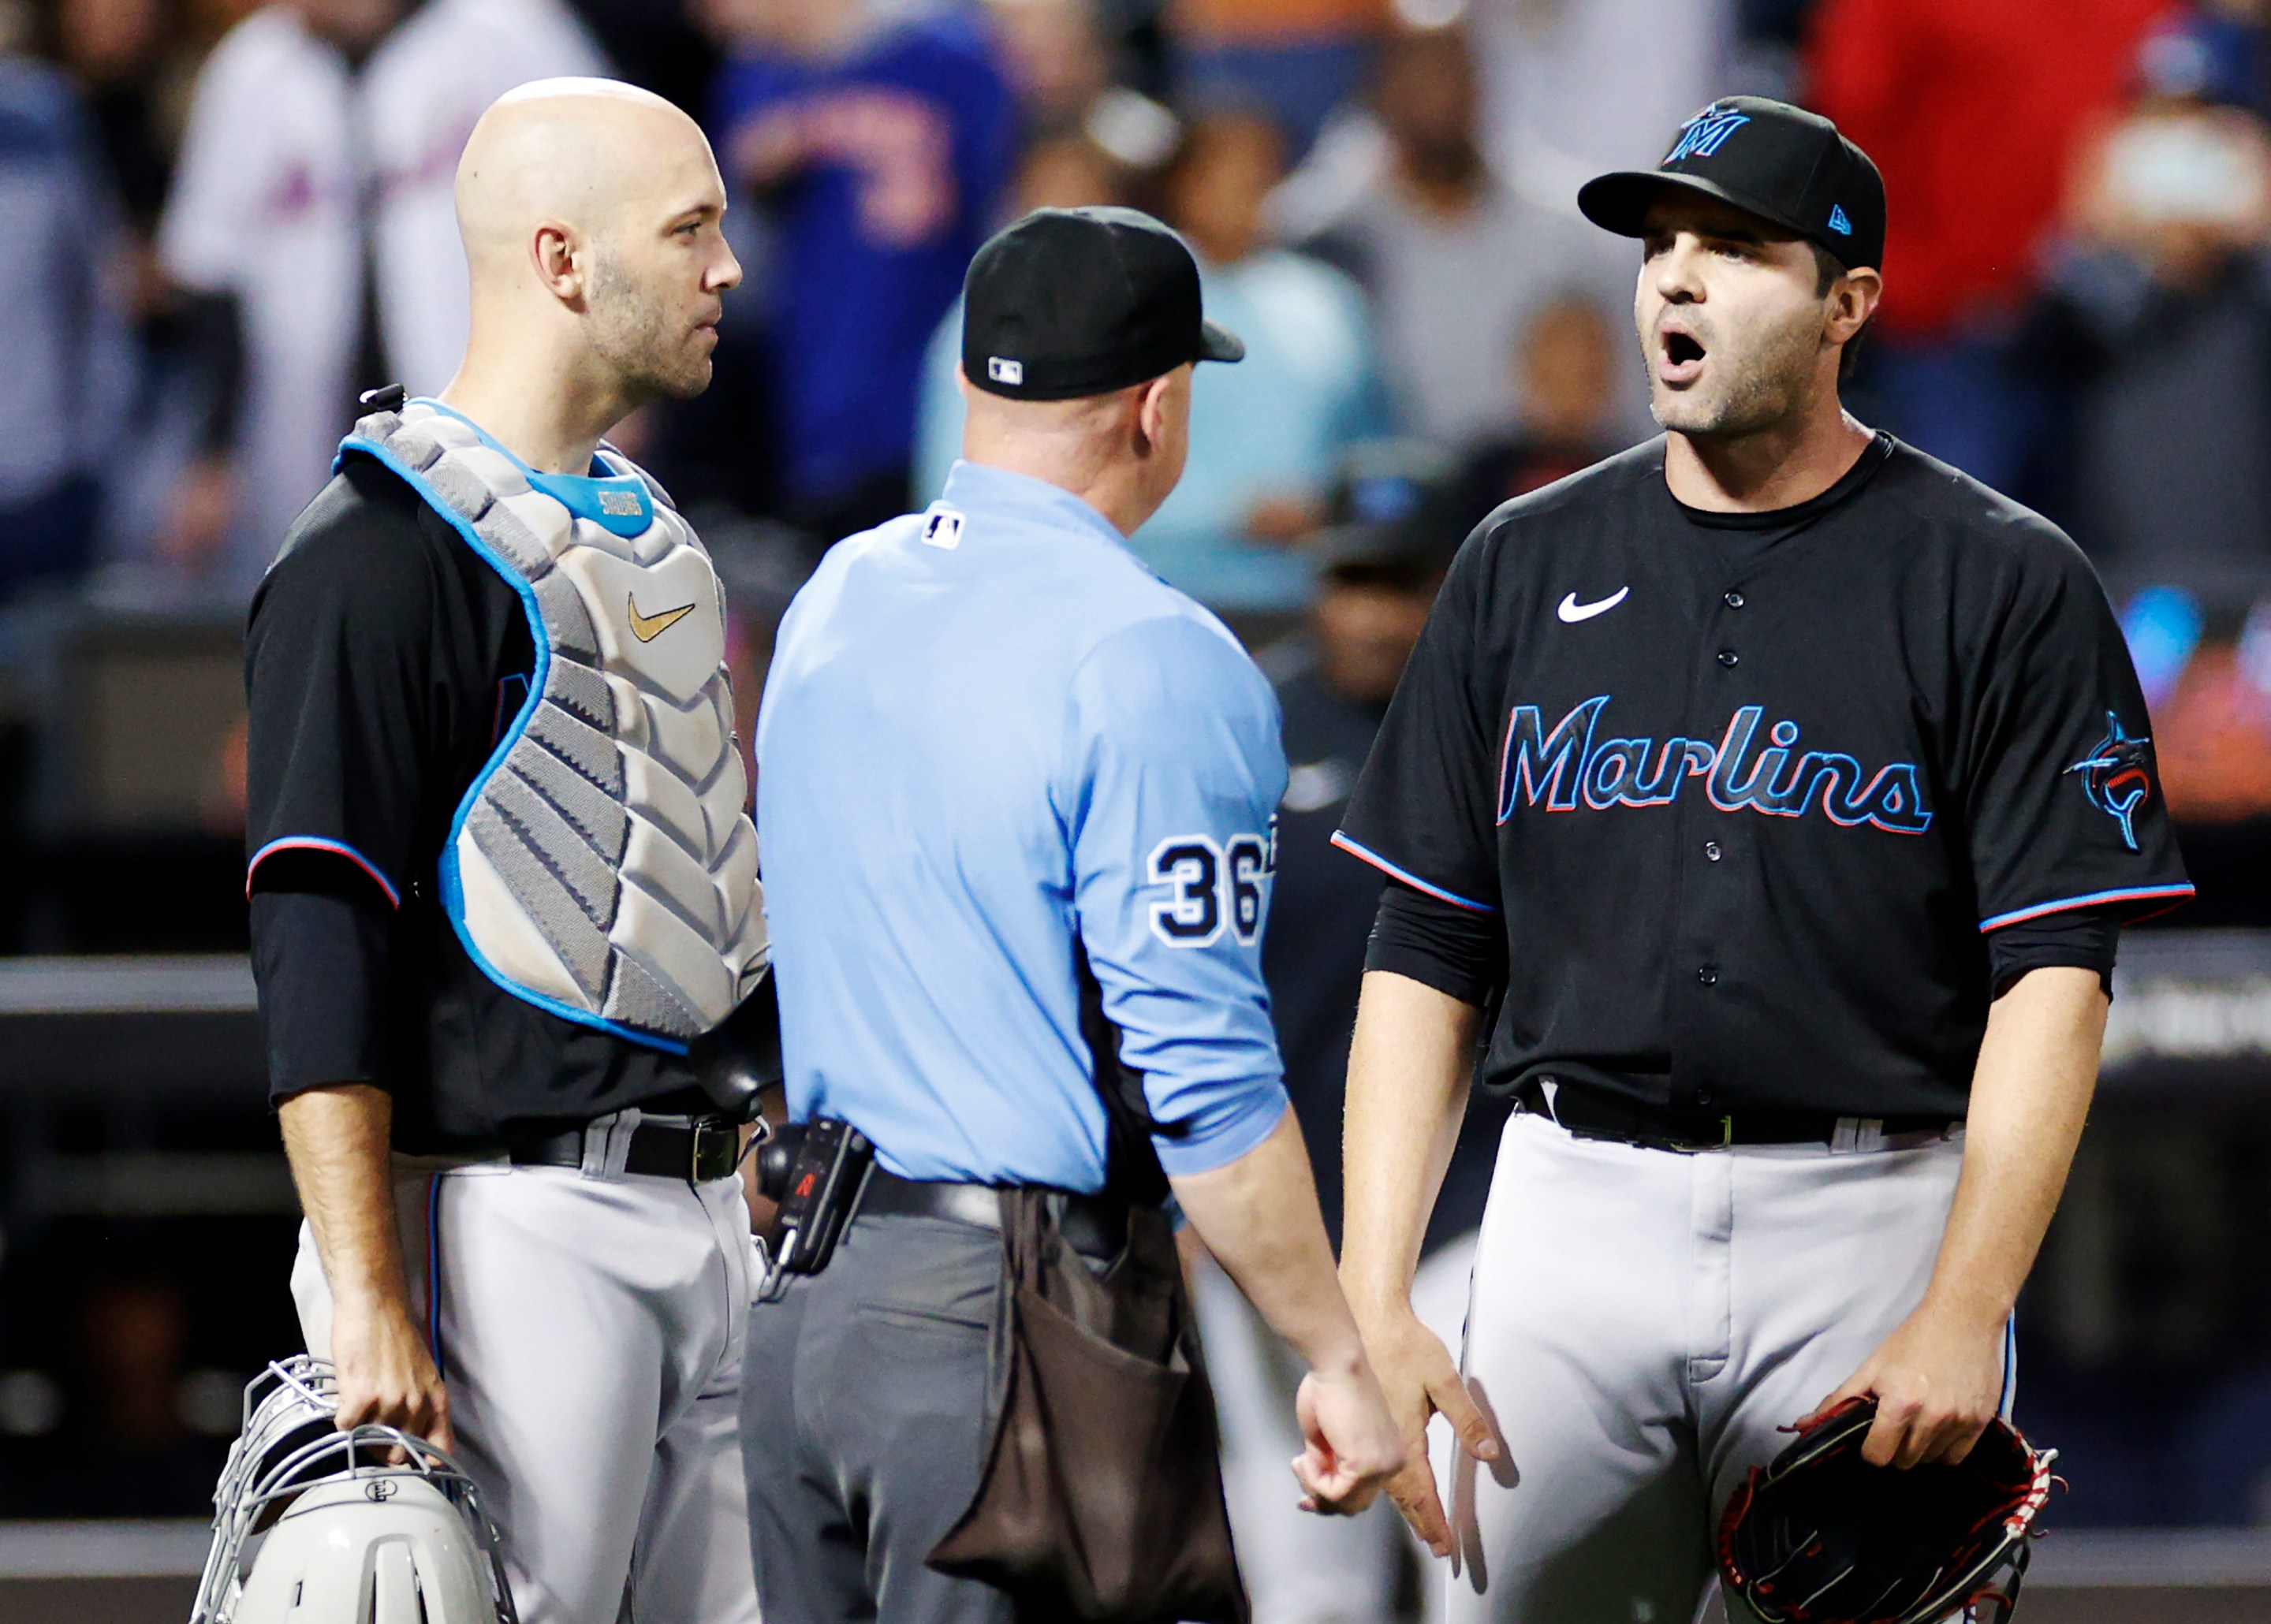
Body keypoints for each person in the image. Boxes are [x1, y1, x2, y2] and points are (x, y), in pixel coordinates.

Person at [1333, 96, 2195, 1621]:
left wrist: (1963, 1307)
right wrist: (1376, 1300)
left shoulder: (1999, 578)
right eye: (1661, 246)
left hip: (1869, 1217)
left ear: (1848, 303)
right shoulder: (1521, 563)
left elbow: (2056, 977)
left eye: (1735, 250)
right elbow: (1423, 950)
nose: (1675, 279)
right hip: (1567, 1207)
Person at [748, 204, 1404, 1623]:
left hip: (806, 1312)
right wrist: (1337, 1357)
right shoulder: (1153, 654)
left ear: (978, 385)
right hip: (998, 1333)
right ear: (1159, 409)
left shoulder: (834, 597)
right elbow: (1210, 1082)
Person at [243, 80, 766, 1624]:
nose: (726, 268)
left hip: (714, 1211)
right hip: (514, 1226)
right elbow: (319, 937)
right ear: (559, 259)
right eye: (690, 230)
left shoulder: (649, 532)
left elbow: (699, 884)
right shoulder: (373, 554)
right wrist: (365, 1299)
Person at [1200, 479, 1508, 1624]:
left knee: (1470, 1552)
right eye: (1350, 582)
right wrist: (1191, 1198)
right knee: (1303, 1568)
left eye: (1400, 584)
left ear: (1444, 591)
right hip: (1279, 1209)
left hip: (1466, 1205)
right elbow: (1178, 979)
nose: (1374, 615)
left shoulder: (1503, 735)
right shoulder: (1248, 731)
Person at [158, 0, 604, 593]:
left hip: (498, 411)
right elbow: (212, 272)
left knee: (513, 601)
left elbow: (607, 201)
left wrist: (605, 376)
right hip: (306, 432)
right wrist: (212, 454)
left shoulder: (510, 29)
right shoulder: (251, 66)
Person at [704, 0, 1018, 544]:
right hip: (807, 394)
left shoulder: (956, 61)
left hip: (936, 385)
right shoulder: (758, 78)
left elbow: (1006, 221)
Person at [1293, 24, 1633, 449]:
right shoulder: (1333, 234)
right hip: (1392, 485)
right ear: (1381, 97)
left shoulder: (1566, 229)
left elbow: (1622, 392)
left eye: (1454, 73)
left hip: (1528, 485)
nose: (1441, 96)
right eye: (1419, 76)